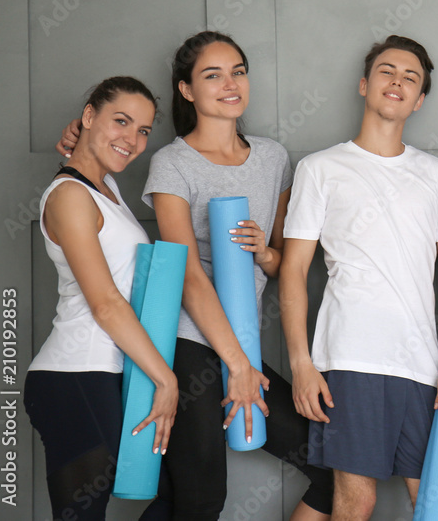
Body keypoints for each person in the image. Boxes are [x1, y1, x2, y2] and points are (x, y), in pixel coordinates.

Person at [56, 32, 333, 520]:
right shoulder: (172, 163)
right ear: (186, 90)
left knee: (331, 467)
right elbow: (185, 273)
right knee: (201, 499)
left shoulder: (273, 158)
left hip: (241, 343)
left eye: (238, 71)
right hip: (189, 344)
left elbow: (284, 258)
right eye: (213, 75)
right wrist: (239, 367)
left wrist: (263, 253)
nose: (230, 84)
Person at [279, 35, 438, 520]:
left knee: (437, 505)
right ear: (366, 84)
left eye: (411, 78)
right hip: (351, 358)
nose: (398, 82)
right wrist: (302, 363)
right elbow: (294, 269)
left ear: (420, 98)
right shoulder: (321, 168)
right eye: (388, 71)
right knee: (355, 502)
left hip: (423, 367)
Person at [26, 76, 178, 521]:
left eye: (143, 130)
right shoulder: (70, 196)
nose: (132, 140)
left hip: (113, 371)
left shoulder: (105, 190)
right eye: (121, 122)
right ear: (89, 116)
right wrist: (165, 380)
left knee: (183, 491)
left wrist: (89, 137)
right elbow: (106, 303)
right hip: (75, 376)